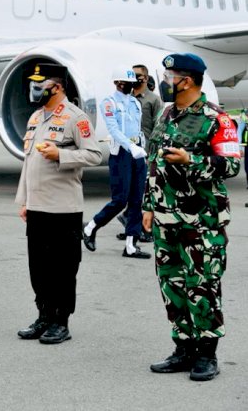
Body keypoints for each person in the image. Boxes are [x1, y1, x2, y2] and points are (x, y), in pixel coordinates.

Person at [144, 53, 240, 382]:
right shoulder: (167, 115)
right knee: (172, 285)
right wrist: (147, 206)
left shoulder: (216, 118)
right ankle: (183, 348)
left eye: (170, 76)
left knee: (203, 286)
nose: (166, 82)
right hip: (164, 219)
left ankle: (207, 354)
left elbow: (231, 166)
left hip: (201, 221)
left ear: (186, 80)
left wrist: (191, 160)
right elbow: (154, 164)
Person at [15, 64, 102, 344]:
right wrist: (24, 200)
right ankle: (44, 315)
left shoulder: (76, 118)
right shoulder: (36, 117)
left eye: (41, 83)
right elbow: (28, 163)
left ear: (59, 87)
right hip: (38, 206)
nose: (35, 88)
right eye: (33, 83)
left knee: (63, 269)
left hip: (64, 209)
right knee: (38, 268)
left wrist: (61, 155)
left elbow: (94, 155)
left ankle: (60, 321)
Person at [82, 66, 151, 259]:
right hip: (121, 153)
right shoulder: (109, 103)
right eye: (124, 83)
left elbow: (137, 129)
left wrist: (141, 148)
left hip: (137, 153)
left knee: (137, 199)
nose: (128, 86)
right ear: (117, 83)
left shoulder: (136, 103)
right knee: (120, 199)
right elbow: (113, 130)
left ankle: (131, 244)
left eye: (130, 84)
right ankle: (91, 227)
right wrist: (131, 147)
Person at [116, 64, 164, 241]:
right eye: (132, 75)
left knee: (145, 191)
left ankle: (139, 228)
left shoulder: (154, 100)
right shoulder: (125, 99)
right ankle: (131, 227)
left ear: (145, 77)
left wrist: (156, 152)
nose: (134, 78)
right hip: (128, 151)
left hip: (147, 153)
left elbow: (160, 126)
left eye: (137, 75)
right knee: (131, 191)